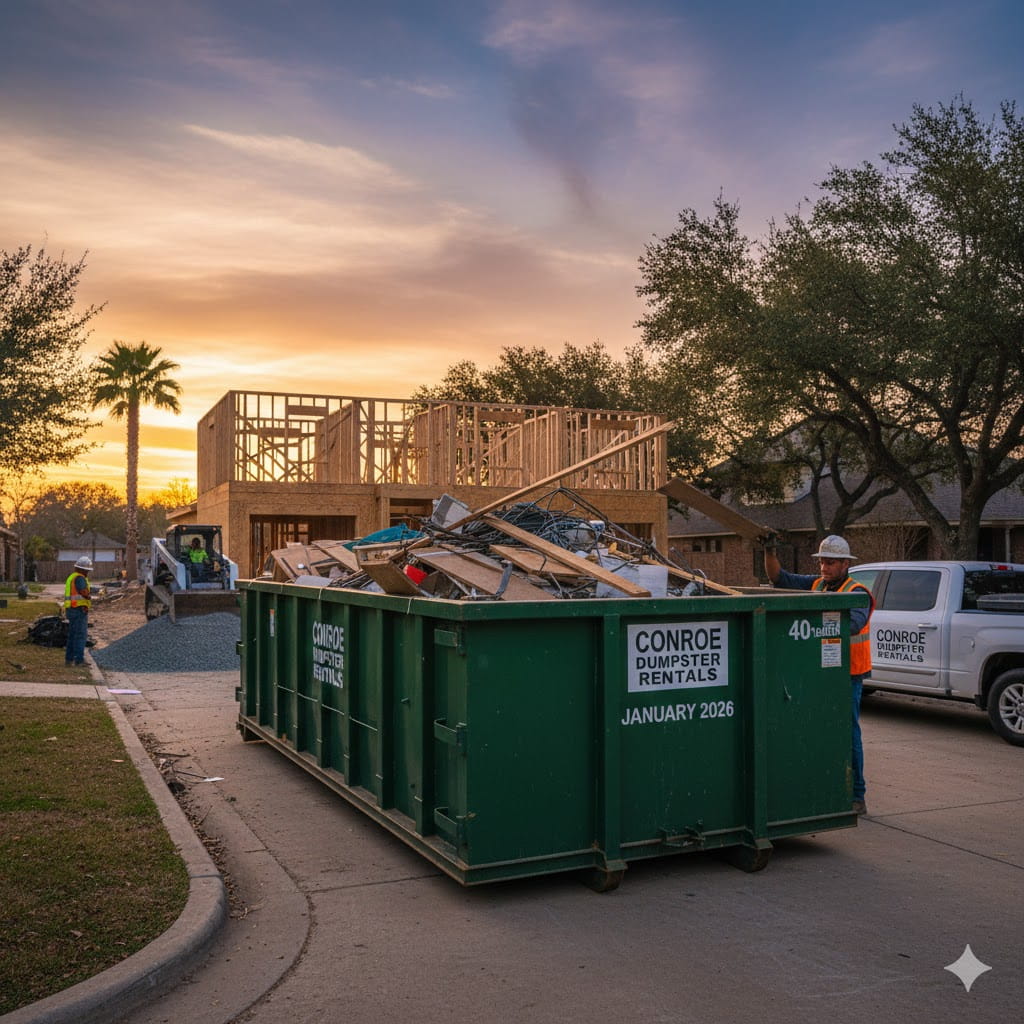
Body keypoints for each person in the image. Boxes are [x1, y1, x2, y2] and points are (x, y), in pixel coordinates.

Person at [764, 535, 874, 816]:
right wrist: (769, 550)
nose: (824, 567)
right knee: (817, 730)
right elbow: (779, 578)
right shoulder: (816, 584)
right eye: (822, 561)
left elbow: (853, 624)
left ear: (846, 564)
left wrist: (815, 617)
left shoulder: (857, 591)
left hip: (848, 675)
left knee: (848, 733)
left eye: (831, 562)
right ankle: (826, 786)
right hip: (821, 671)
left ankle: (857, 795)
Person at [64, 556, 93, 667]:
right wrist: (89, 596)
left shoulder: (72, 577)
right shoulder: (80, 578)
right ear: (82, 569)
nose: (88, 572)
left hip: (72, 609)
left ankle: (69, 659)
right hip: (79, 610)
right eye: (87, 570)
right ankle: (79, 660)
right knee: (80, 635)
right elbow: (83, 592)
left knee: (72, 635)